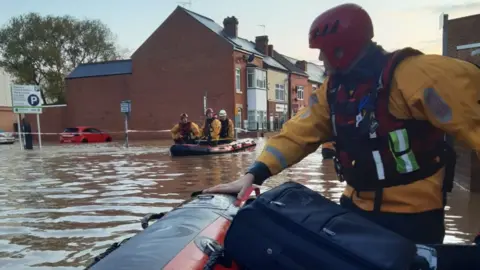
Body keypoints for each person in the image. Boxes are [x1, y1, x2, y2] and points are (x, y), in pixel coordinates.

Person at [204, 3, 480, 245]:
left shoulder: (416, 76)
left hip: (414, 218)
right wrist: (253, 174)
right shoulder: (333, 91)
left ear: (341, 50)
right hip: (356, 209)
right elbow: (297, 135)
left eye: (324, 52)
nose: (321, 59)